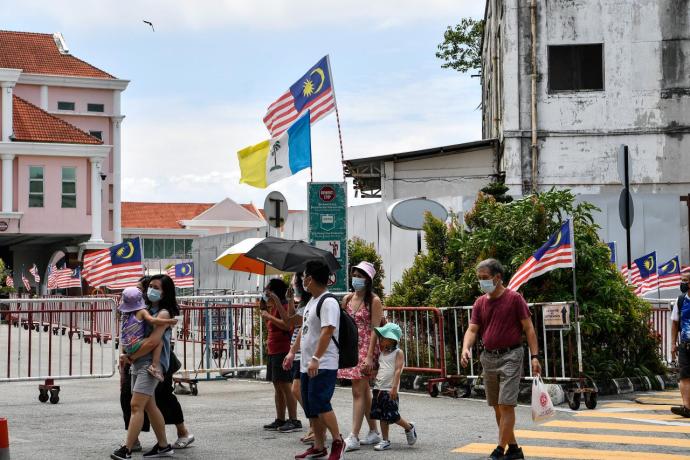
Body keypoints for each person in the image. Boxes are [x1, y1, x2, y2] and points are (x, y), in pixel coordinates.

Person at [460, 259, 541, 460]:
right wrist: (465, 348)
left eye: (485, 278)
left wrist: (535, 357)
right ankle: (513, 449)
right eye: (479, 279)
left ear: (497, 277)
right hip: (489, 357)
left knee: (506, 405)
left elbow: (529, 328)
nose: (482, 282)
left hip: (511, 355)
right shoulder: (480, 303)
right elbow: (472, 329)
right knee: (497, 406)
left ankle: (499, 449)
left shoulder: (514, 299)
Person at [112, 275, 179, 459]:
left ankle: (127, 448)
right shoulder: (146, 309)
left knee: (135, 405)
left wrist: (131, 357)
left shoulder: (163, 313)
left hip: (148, 364)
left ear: (165, 292)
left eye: (157, 287)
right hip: (140, 361)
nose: (152, 290)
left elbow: (152, 342)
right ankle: (164, 446)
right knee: (150, 406)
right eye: (150, 286)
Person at [291, 260, 346, 460]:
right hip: (308, 364)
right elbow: (303, 331)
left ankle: (339, 442)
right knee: (311, 405)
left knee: (321, 403)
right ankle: (319, 446)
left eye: (304, 275)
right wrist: (292, 352)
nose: (302, 279)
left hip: (323, 363)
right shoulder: (311, 302)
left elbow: (327, 331)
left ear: (310, 278)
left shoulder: (328, 301)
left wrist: (316, 357)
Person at [338, 261, 383, 451]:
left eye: (360, 275)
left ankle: (354, 436)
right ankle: (373, 431)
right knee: (364, 391)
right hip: (351, 348)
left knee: (358, 390)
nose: (356, 278)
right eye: (354, 274)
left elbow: (375, 329)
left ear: (368, 279)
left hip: (367, 347)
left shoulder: (374, 301)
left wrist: (370, 356)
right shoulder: (348, 299)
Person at [260, 278, 300, 432]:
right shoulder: (273, 306)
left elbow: (286, 325)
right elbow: (271, 327)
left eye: (268, 290)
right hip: (273, 349)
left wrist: (269, 316)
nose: (266, 293)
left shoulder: (283, 305)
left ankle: (294, 419)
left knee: (286, 385)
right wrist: (266, 312)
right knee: (277, 386)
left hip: (282, 349)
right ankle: (280, 418)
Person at [369, 322, 417, 451]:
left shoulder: (398, 353)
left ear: (391, 340)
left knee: (393, 416)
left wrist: (394, 387)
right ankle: (385, 440)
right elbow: (381, 368)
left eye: (382, 338)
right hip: (378, 388)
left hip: (390, 389)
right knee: (382, 415)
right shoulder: (381, 353)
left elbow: (397, 370)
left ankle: (409, 427)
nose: (380, 340)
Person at [281, 273, 315, 441]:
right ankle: (314, 425)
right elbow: (292, 319)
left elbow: (289, 322)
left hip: (303, 351)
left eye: (295, 282)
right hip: (297, 350)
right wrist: (288, 301)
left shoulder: (311, 304)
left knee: (298, 390)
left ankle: (315, 424)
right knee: (301, 390)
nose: (293, 284)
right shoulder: (303, 303)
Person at [118, 287, 176, 382]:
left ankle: (125, 355)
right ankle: (154, 366)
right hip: (135, 344)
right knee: (159, 342)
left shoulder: (125, 313)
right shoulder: (142, 311)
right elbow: (152, 320)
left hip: (126, 345)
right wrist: (169, 321)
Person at [671, 272, 690, 417]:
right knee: (684, 376)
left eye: (685, 281)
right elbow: (675, 324)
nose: (682, 283)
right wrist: (673, 344)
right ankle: (687, 407)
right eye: (682, 280)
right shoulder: (681, 300)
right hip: (685, 345)